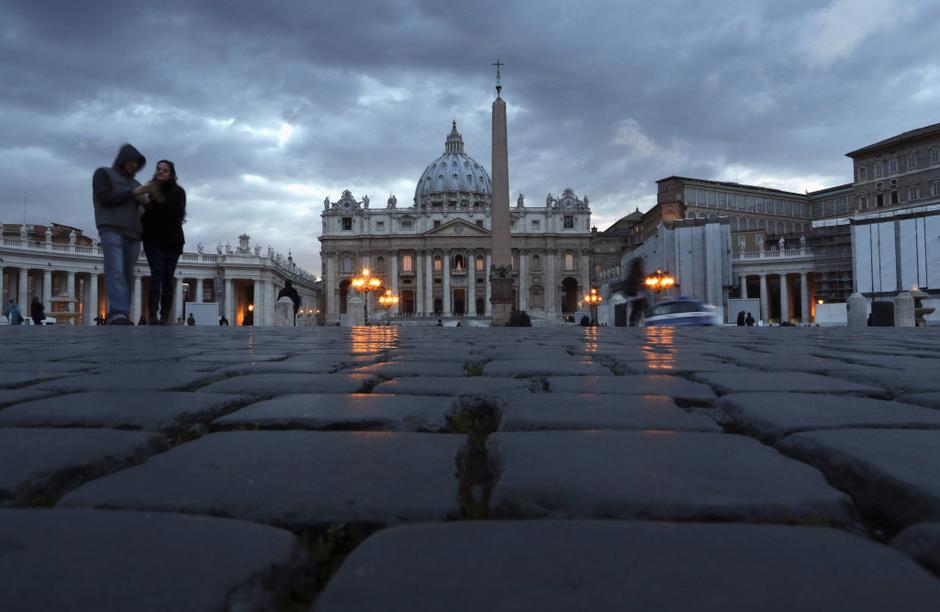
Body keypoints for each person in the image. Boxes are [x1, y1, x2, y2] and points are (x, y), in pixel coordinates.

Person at [93, 144, 156, 325]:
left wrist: (148, 202)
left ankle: (118, 312)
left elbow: (145, 212)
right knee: (115, 269)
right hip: (111, 228)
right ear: (122, 159)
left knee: (127, 274)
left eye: (137, 162)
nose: (133, 165)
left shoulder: (136, 184)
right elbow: (104, 198)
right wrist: (133, 194)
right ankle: (119, 312)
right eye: (131, 161)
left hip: (133, 234)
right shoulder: (103, 174)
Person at [141, 160, 186, 325]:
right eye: (158, 169)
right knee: (157, 273)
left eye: (165, 170)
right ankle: (152, 314)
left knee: (168, 278)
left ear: (171, 174)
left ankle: (165, 315)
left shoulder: (179, 192)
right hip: (152, 240)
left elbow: (175, 213)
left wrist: (156, 197)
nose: (161, 172)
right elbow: (145, 217)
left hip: (172, 241)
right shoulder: (148, 191)